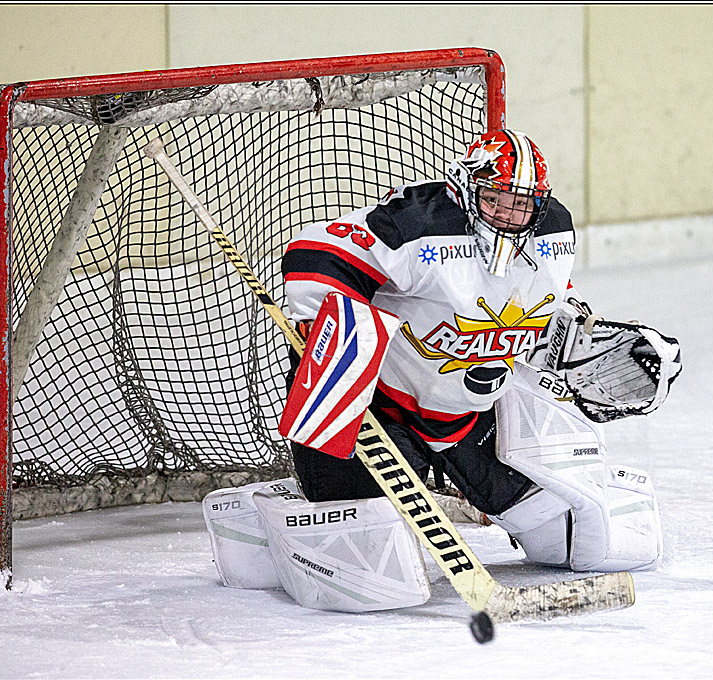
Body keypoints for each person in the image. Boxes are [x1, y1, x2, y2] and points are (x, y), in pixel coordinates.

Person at [202, 130, 682, 612]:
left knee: (573, 538)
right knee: (371, 562)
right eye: (496, 201)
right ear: (468, 188)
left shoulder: (554, 230)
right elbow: (317, 253)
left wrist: (571, 334)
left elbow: (547, 296)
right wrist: (326, 321)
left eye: (522, 206)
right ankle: (265, 515)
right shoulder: (420, 224)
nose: (510, 217)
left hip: (471, 417)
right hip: (383, 412)